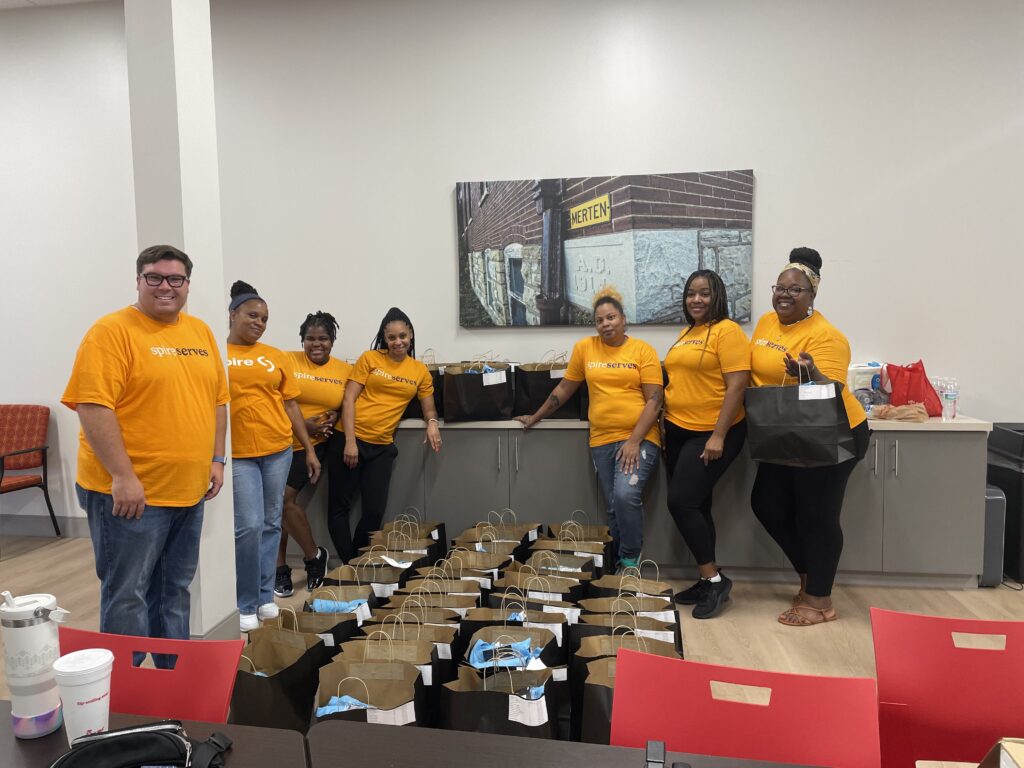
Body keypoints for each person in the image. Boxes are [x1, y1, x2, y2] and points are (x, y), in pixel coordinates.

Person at [62, 245, 228, 662]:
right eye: (154, 277)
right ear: (138, 281)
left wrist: (216, 459)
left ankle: (172, 682)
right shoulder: (112, 331)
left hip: (188, 492)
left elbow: (218, 401)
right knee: (128, 595)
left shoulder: (201, 332)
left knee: (173, 590)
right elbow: (93, 406)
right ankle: (127, 697)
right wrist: (122, 476)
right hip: (132, 496)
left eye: (175, 279)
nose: (165, 286)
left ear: (188, 285)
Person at [748, 248, 869, 626]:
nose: (785, 294)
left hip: (832, 432)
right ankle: (808, 574)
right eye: (780, 287)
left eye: (795, 289)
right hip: (785, 429)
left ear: (812, 295)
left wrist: (810, 373)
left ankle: (820, 600)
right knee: (767, 504)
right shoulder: (767, 322)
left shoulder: (827, 336)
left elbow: (831, 389)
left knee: (817, 516)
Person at [517, 287, 663, 572]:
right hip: (601, 440)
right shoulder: (585, 348)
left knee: (625, 495)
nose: (606, 324)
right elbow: (564, 388)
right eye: (600, 320)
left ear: (623, 319)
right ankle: (617, 565)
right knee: (613, 505)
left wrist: (633, 442)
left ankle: (631, 561)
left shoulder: (642, 350)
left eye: (611, 317)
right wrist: (536, 416)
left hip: (639, 438)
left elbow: (655, 401)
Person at [226, 281, 320, 632]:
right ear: (233, 314)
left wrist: (308, 449)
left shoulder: (275, 356)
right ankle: (244, 601)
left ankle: (265, 596)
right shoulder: (219, 354)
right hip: (239, 456)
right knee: (247, 527)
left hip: (278, 450)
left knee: (269, 524)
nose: (259, 322)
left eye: (264, 318)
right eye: (252, 315)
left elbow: (291, 403)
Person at [663, 270, 750, 619]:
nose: (696, 300)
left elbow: (737, 386)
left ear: (718, 297)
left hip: (711, 432)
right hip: (679, 430)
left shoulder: (728, 331)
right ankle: (707, 577)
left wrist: (718, 435)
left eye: (704, 293)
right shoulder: (688, 333)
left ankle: (714, 580)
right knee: (697, 505)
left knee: (681, 503)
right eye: (690, 294)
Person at [330, 307, 441, 562]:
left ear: (410, 335)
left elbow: (429, 406)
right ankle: (349, 566)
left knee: (373, 511)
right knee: (339, 508)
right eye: (392, 337)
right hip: (349, 439)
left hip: (381, 446)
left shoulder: (419, 371)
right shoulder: (370, 359)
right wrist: (349, 441)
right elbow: (349, 399)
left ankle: (356, 562)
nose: (398, 342)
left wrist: (432, 423)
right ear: (385, 338)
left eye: (402, 335)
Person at [274, 311, 352, 597]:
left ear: (332, 341)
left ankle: (313, 558)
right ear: (302, 340)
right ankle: (282, 568)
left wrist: (335, 414)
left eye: (323, 339)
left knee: (281, 501)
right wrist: (300, 424)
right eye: (310, 339)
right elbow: (272, 399)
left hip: (313, 446)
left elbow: (350, 404)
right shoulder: (286, 360)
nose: (316, 344)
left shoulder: (343, 370)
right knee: (274, 506)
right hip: (280, 439)